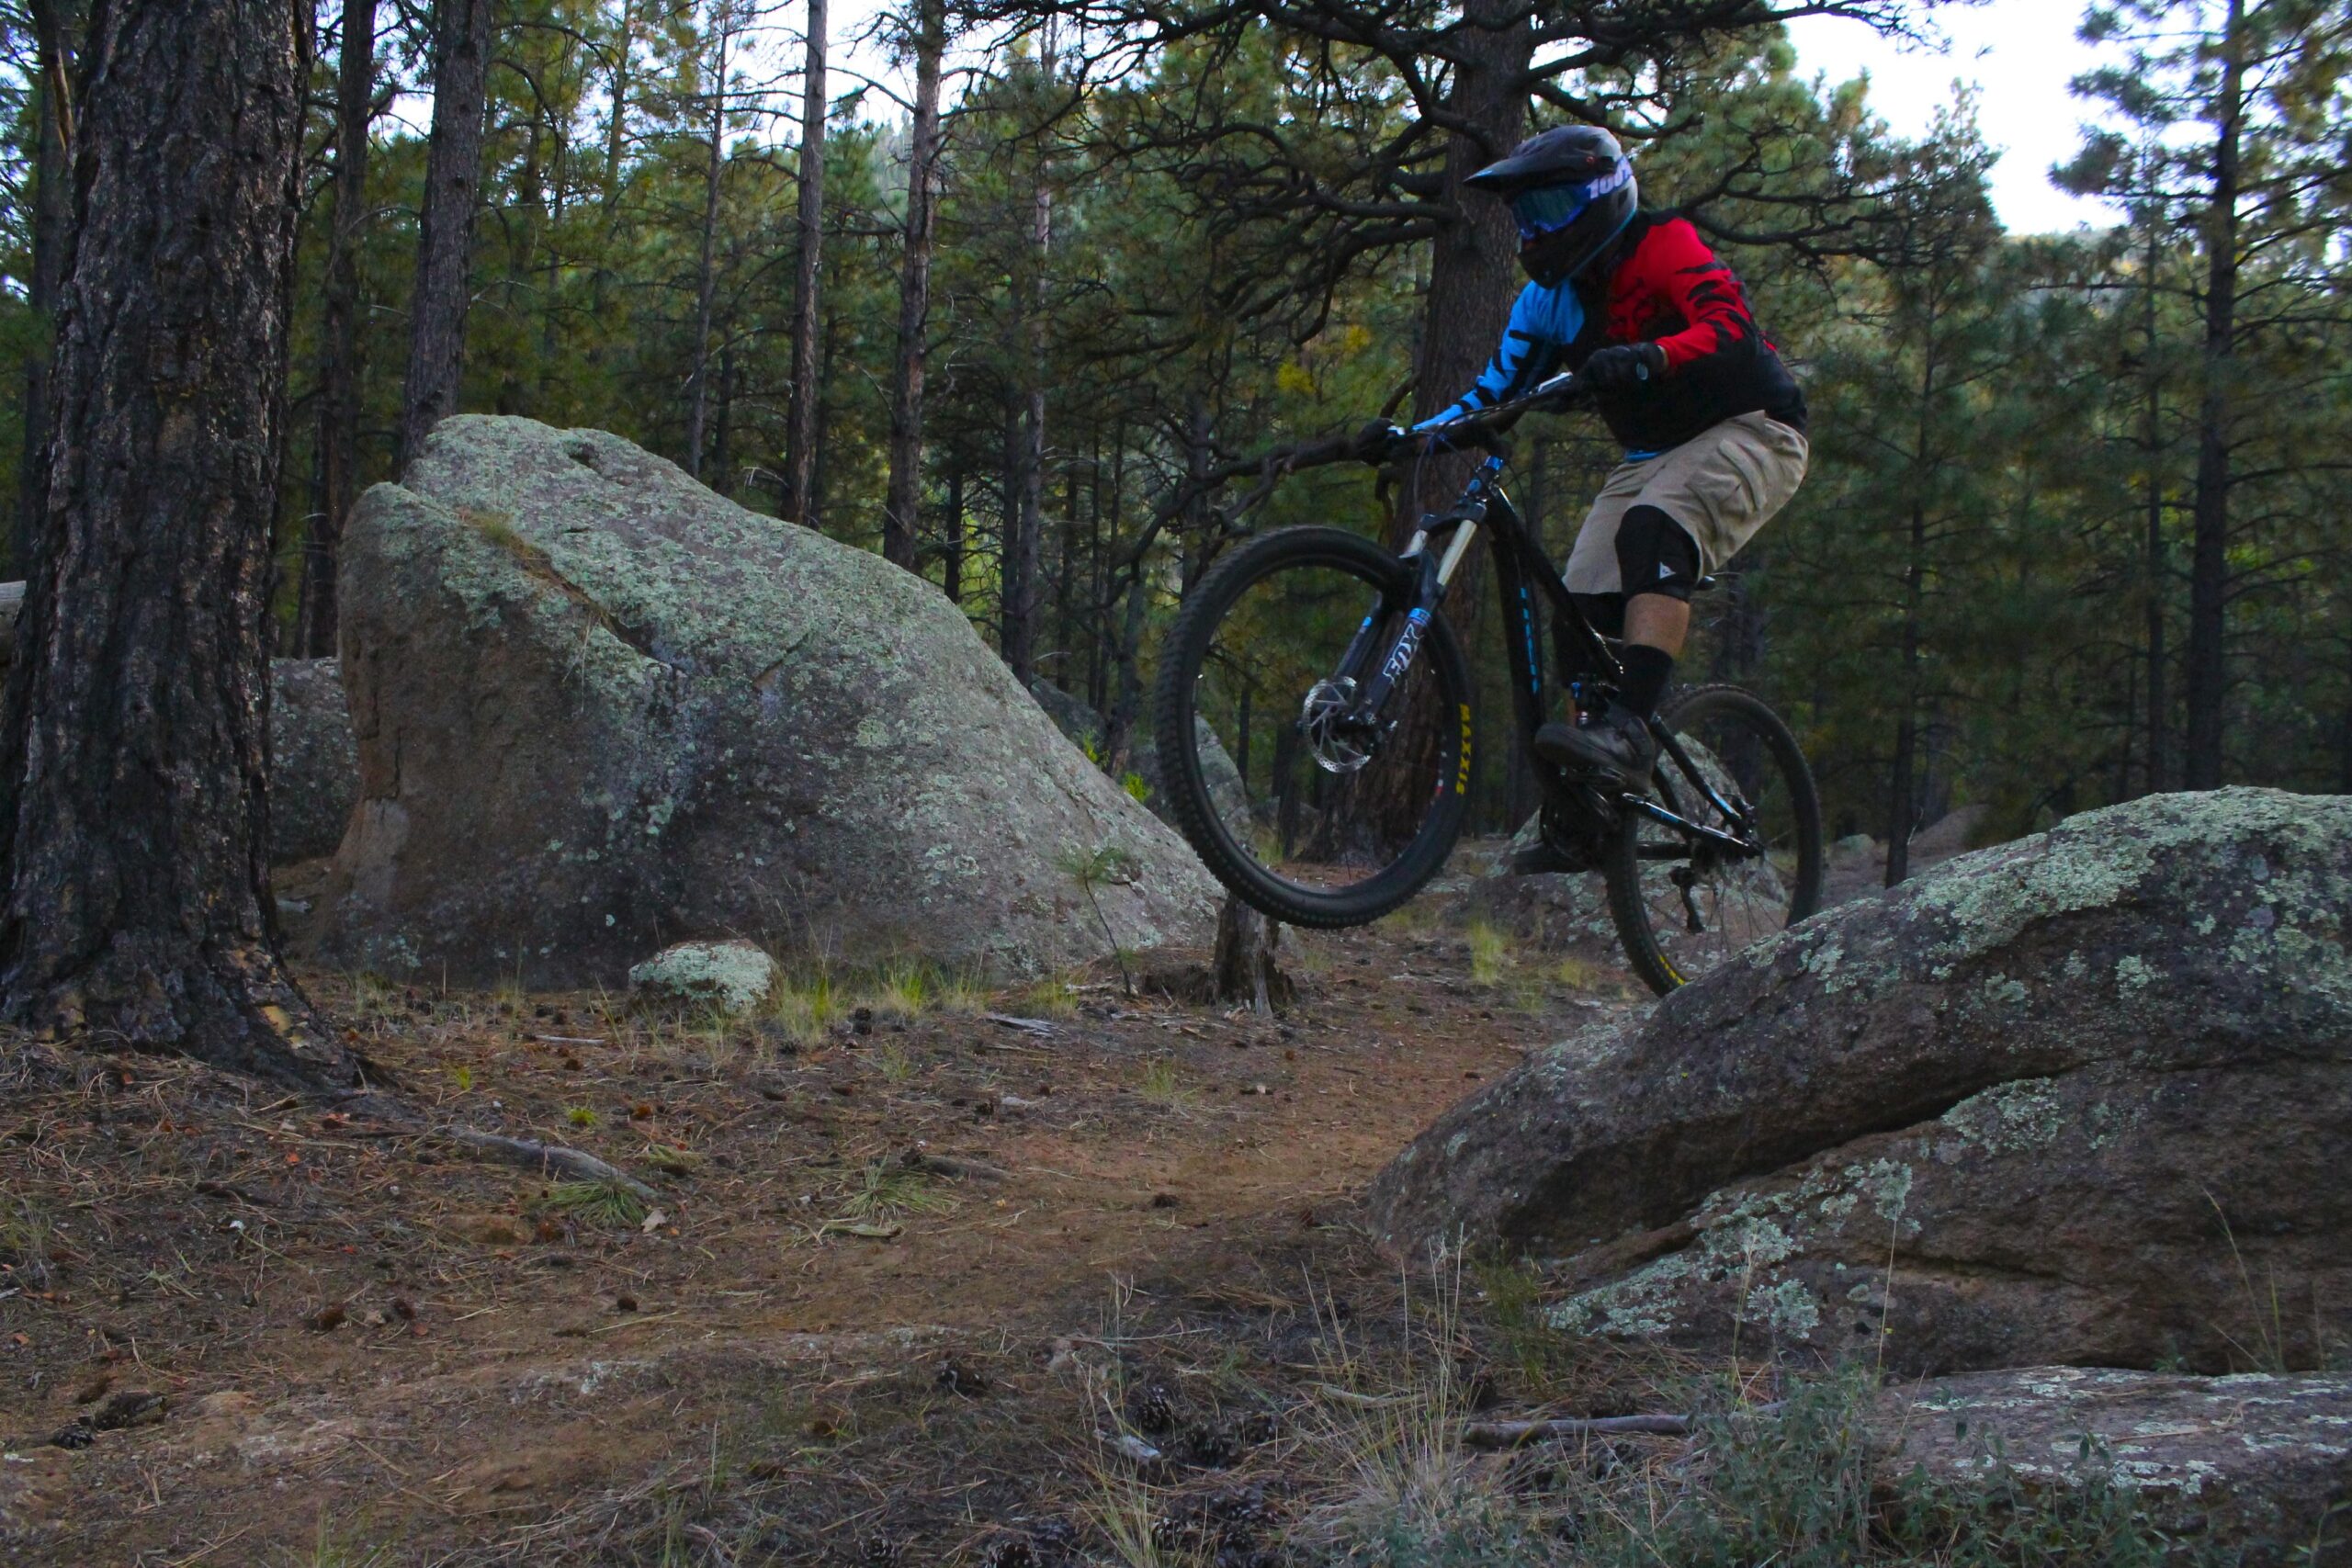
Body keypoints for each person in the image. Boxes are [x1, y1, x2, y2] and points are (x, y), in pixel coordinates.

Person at [1363, 124, 1809, 791]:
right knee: (1577, 614)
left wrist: (1651, 354)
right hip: (1653, 453)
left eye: (1549, 210)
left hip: (1754, 427)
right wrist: (1408, 436)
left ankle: (1630, 729)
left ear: (1605, 194)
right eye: (1524, 216)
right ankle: (1587, 810)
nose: (1534, 233)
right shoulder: (1544, 303)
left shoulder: (1664, 246)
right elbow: (1494, 394)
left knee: (1653, 530)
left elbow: (1730, 328)